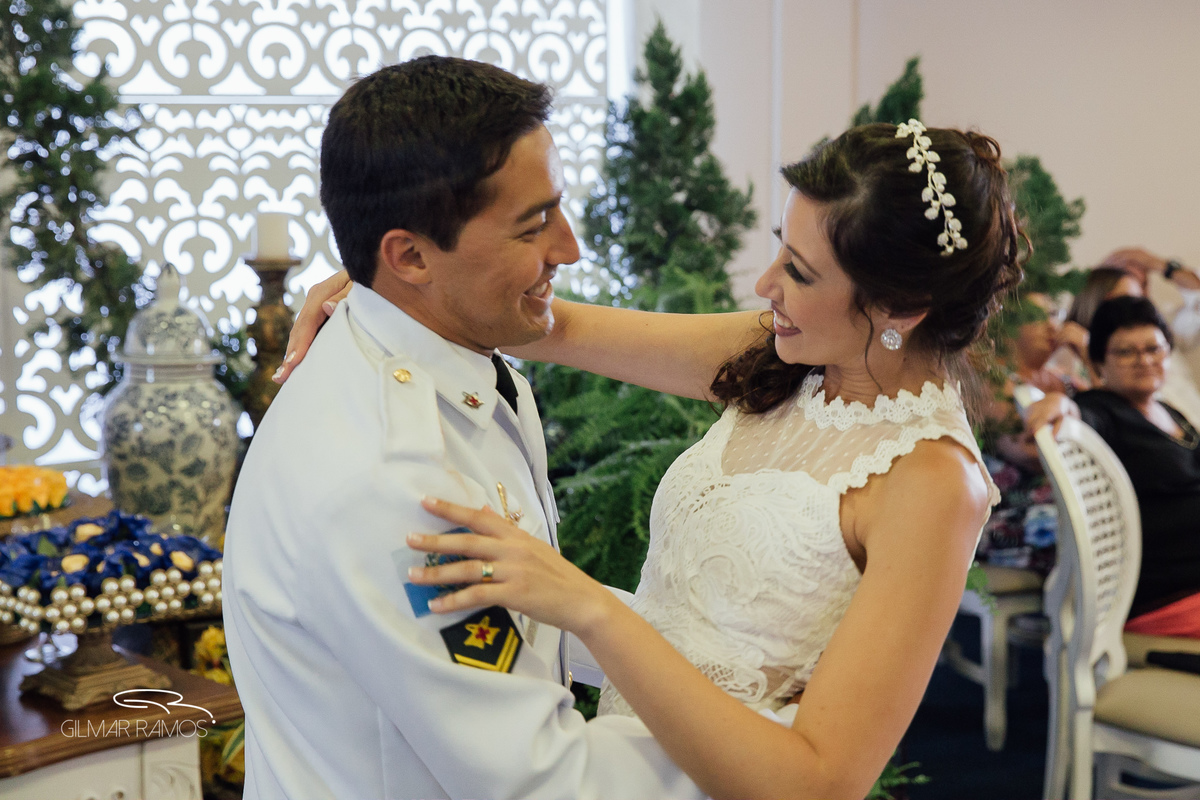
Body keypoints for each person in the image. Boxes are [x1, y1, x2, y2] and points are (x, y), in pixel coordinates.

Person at [289, 120, 1019, 798]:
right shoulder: (789, 350)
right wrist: (398, 287)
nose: (767, 287)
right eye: (779, 248)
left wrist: (587, 606)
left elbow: (820, 782)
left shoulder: (933, 483)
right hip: (622, 767)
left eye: (799, 271)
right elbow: (550, 328)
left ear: (901, 307)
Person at [222, 56, 711, 800]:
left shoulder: (456, 354)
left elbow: (523, 627)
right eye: (533, 224)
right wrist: (756, 738)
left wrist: (713, 660)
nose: (569, 248)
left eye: (557, 206)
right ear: (410, 255)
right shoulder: (393, 482)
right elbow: (542, 781)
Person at [1026, 296, 1200, 640]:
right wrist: (1060, 402)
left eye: (1154, 348)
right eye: (1125, 352)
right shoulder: (1102, 409)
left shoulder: (1172, 413)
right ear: (1099, 363)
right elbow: (1079, 417)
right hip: (1166, 594)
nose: (1144, 360)